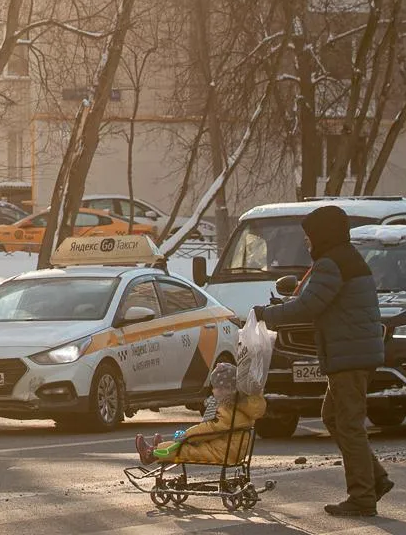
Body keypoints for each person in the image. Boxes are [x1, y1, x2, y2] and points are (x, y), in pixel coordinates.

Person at [254, 206, 392, 518]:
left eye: (309, 236)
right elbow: (317, 302)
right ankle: (376, 479)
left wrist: (267, 315)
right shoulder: (347, 258)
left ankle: (362, 497)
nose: (306, 243)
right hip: (353, 354)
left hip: (349, 357)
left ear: (322, 235)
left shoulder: (332, 264)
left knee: (349, 424)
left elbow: (309, 306)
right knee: (333, 417)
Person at [135, 362, 264, 465]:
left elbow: (208, 429)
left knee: (186, 449)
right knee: (190, 444)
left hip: (222, 452)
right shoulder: (241, 408)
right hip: (229, 450)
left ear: (228, 390)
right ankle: (161, 446)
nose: (213, 391)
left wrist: (186, 435)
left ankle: (152, 453)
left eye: (216, 388)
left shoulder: (229, 411)